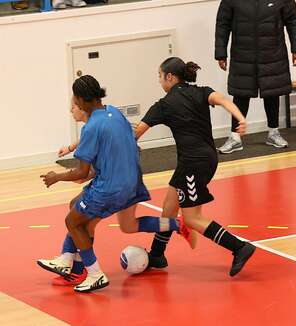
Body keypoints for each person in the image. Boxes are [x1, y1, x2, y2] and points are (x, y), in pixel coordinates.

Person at [37, 75, 193, 293]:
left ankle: (91, 273)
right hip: (132, 182)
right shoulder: (114, 113)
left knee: (74, 222)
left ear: (81, 101)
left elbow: (81, 171)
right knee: (89, 212)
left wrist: (57, 177)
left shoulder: (91, 128)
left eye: (74, 102)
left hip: (110, 188)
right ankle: (68, 261)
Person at [135, 57, 256, 276]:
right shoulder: (201, 92)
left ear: (170, 77)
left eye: (160, 76)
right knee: (169, 206)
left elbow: (135, 133)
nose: (160, 81)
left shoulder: (163, 105)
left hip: (193, 164)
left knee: (191, 218)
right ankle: (157, 254)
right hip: (204, 159)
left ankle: (239, 248)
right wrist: (240, 118)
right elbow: (223, 100)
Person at [215, 0, 296, 154]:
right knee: (241, 94)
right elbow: (222, 24)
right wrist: (221, 53)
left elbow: (293, 20)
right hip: (242, 54)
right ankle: (235, 137)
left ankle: (273, 133)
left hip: (273, 53)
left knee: (272, 92)